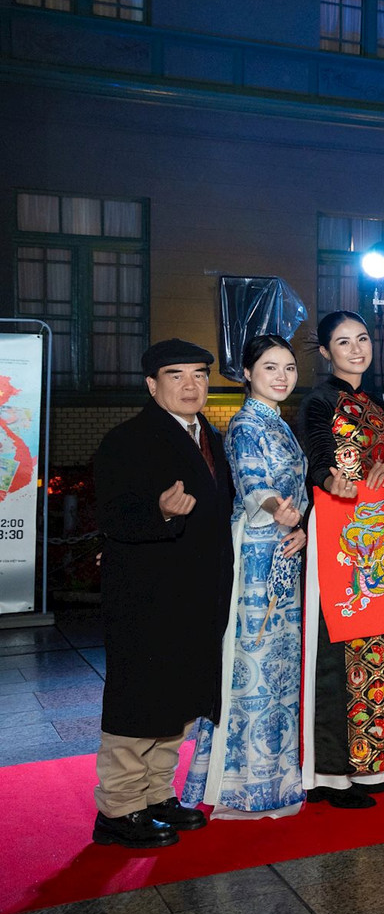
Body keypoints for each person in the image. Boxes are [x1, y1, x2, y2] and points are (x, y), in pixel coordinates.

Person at [91, 340, 235, 847]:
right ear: (152, 385)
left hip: (195, 594)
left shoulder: (209, 438)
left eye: (199, 375)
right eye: (176, 376)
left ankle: (156, 795)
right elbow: (110, 513)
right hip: (146, 595)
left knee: (176, 698)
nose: (191, 385)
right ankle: (118, 808)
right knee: (140, 698)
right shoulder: (128, 440)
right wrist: (163, 513)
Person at [183, 335, 306, 820]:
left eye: (289, 367)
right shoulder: (242, 425)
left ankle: (277, 778)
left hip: (286, 552)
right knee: (249, 667)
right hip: (254, 556)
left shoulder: (282, 426)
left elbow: (298, 489)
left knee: (279, 670)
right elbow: (257, 486)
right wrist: (284, 514)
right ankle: (238, 785)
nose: (281, 376)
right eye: (270, 367)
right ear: (247, 374)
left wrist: (302, 528)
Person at [298, 311, 384, 807]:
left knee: (375, 643)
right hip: (336, 527)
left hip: (375, 533)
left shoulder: (379, 403)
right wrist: (328, 479)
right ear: (325, 352)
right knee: (335, 644)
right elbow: (317, 457)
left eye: (362, 339)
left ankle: (368, 763)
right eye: (344, 342)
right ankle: (330, 771)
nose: (357, 349)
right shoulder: (319, 400)